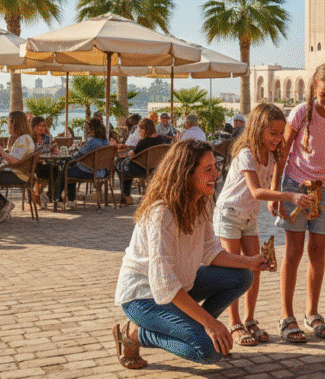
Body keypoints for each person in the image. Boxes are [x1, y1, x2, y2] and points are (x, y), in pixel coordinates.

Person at [113, 139, 273, 369]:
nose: (216, 174)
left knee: (243, 276)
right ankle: (133, 333)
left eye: (215, 167)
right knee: (208, 351)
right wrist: (210, 323)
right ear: (186, 173)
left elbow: (211, 252)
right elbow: (164, 283)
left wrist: (250, 261)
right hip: (143, 297)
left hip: (177, 287)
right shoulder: (162, 213)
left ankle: (195, 328)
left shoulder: (202, 202)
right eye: (208, 169)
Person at [272, 63, 325, 342]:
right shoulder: (300, 113)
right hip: (296, 187)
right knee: (293, 252)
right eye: (324, 95)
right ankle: (286, 315)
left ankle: (312, 312)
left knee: (317, 253)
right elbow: (282, 152)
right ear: (313, 90)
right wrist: (275, 190)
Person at [214, 103, 311, 346]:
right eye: (274, 134)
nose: (279, 139)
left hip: (249, 218)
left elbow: (274, 183)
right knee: (234, 270)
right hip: (229, 214)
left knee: (255, 267)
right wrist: (288, 197)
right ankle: (234, 322)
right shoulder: (246, 153)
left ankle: (249, 319)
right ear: (258, 130)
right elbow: (257, 192)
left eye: (281, 133)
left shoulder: (273, 154)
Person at [58, 118, 109, 209]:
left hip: (90, 172)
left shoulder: (92, 142)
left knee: (65, 171)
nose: (87, 131)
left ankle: (59, 198)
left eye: (88, 129)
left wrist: (72, 152)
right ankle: (70, 200)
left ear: (92, 130)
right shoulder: (106, 142)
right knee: (70, 167)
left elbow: (77, 156)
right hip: (101, 172)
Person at [120, 118, 165, 205]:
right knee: (123, 164)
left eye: (140, 130)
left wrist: (131, 153)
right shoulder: (160, 139)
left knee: (121, 165)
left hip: (142, 169)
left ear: (144, 129)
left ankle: (126, 195)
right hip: (156, 169)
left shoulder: (143, 142)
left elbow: (134, 155)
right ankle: (127, 195)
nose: (139, 131)